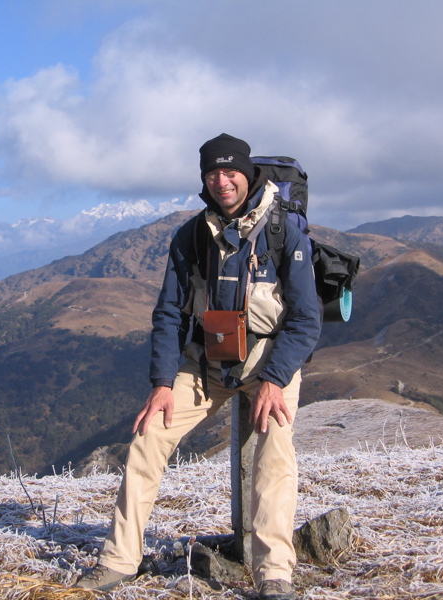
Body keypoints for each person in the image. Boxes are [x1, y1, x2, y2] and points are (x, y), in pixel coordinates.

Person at [75, 133, 321, 600]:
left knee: (275, 455)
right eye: (212, 173)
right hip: (207, 361)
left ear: (248, 174)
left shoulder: (284, 230)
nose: (222, 181)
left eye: (230, 172)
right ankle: (119, 560)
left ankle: (274, 573)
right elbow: (170, 313)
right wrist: (163, 383)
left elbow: (306, 319)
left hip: (270, 359)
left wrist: (274, 379)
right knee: (149, 438)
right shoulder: (191, 235)